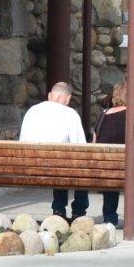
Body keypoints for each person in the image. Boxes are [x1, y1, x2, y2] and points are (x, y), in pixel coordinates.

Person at [92, 80, 134, 228]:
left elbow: (94, 144)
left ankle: (109, 218)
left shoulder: (102, 116)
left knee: (112, 168)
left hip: (106, 172)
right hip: (133, 174)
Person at [18, 81, 88, 220]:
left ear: (50, 95)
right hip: (57, 168)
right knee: (81, 166)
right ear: (67, 98)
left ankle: (58, 210)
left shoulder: (32, 111)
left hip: (29, 167)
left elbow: (22, 141)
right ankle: (77, 211)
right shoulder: (70, 114)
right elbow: (81, 148)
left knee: (61, 163)